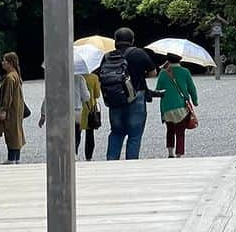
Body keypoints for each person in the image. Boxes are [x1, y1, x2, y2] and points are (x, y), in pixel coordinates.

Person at [99, 27, 156, 161]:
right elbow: (153, 73)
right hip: (136, 97)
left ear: (116, 41)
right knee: (134, 134)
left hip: (115, 99)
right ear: (132, 40)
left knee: (116, 133)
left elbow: (101, 75)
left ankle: (111, 161)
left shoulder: (108, 56)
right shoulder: (139, 53)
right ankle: (131, 163)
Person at [38, 72, 95, 159]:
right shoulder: (79, 78)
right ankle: (73, 154)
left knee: (62, 136)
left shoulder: (56, 78)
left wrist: (43, 114)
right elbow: (86, 97)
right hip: (76, 112)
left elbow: (48, 97)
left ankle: (62, 154)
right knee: (75, 135)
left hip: (61, 112)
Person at [155, 53, 198, 158]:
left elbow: (158, 89)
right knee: (180, 131)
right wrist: (195, 101)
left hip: (167, 107)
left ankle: (170, 153)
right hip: (181, 107)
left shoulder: (163, 73)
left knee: (170, 130)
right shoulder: (185, 72)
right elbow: (192, 89)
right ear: (180, 60)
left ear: (168, 61)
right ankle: (178, 155)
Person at [0, 52, 26, 164]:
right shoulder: (16, 75)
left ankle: (11, 158)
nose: (2, 63)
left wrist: (3, 110)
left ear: (10, 63)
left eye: (5, 61)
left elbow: (7, 96)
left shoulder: (10, 77)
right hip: (16, 110)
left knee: (11, 133)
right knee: (16, 133)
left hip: (11, 111)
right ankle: (16, 158)